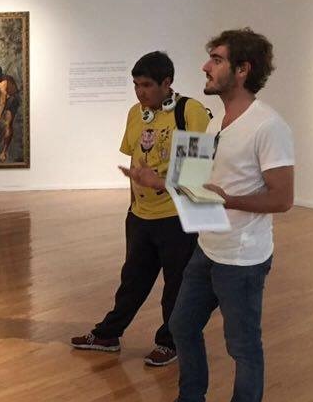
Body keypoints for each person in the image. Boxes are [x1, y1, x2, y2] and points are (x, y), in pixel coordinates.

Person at [143, 28, 294, 402]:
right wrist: (161, 181)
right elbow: (201, 185)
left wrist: (230, 200)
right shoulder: (216, 123)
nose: (205, 67)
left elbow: (282, 198)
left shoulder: (268, 126)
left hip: (242, 258)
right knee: (181, 326)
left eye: (217, 59)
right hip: (207, 248)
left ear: (242, 70)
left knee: (243, 347)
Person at [71, 52, 211, 366]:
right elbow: (136, 158)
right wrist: (134, 204)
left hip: (176, 216)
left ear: (167, 82)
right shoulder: (136, 113)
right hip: (140, 216)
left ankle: (170, 342)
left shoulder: (190, 111)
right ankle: (108, 334)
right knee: (132, 279)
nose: (140, 92)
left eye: (146, 85)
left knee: (176, 284)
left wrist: (157, 181)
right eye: (136, 85)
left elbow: (196, 172)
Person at [0, 64, 20, 162]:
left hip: (12, 99)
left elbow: (3, 101)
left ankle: (4, 151)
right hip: (3, 98)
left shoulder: (4, 82)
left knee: (7, 124)